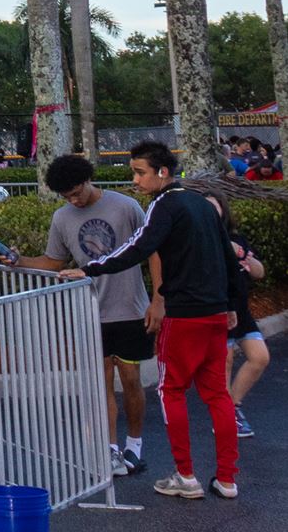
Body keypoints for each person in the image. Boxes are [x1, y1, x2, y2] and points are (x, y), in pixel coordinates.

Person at [82, 142, 238, 501]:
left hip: (184, 317)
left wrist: (89, 267)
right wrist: (232, 304)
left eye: (140, 172)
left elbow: (137, 247)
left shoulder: (164, 204)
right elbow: (227, 257)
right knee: (218, 395)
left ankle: (186, 476)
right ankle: (227, 478)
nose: (134, 179)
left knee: (172, 392)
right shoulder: (202, 203)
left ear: (162, 172)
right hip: (214, 314)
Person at [23, 152, 158, 477]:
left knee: (130, 381)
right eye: (67, 196)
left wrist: (158, 298)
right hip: (89, 313)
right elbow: (53, 262)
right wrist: (19, 261)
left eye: (77, 192)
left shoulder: (125, 206)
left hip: (129, 310)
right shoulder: (62, 218)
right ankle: (110, 450)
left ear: (87, 180)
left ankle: (134, 446)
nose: (74, 200)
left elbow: (153, 250)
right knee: (101, 384)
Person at [193, 186, 271, 440]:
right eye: (206, 208)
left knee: (260, 358)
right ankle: (224, 418)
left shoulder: (236, 238)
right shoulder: (198, 241)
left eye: (215, 207)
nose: (211, 212)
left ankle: (233, 407)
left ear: (223, 210)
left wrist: (245, 257)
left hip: (241, 311)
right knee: (223, 362)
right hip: (215, 310)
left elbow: (258, 272)